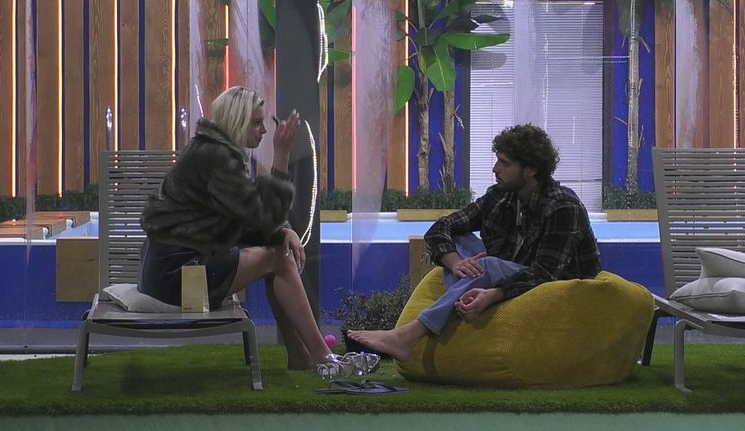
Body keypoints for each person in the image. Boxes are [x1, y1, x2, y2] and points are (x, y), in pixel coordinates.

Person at [348, 124, 602, 362]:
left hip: (557, 287)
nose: (495, 169)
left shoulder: (562, 205)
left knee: (487, 265)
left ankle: (407, 336)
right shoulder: (500, 197)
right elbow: (440, 228)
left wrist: (495, 293)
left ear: (531, 169)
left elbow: (544, 274)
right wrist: (455, 262)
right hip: (508, 271)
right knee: (459, 240)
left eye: (504, 163)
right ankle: (464, 297)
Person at [138, 86, 332, 371]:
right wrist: (281, 156)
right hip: (179, 279)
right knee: (279, 258)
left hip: (170, 272)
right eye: (256, 122)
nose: (263, 130)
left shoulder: (211, 151)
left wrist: (282, 231)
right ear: (236, 121)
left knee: (277, 254)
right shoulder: (217, 157)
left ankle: (303, 356)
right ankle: (321, 356)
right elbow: (261, 219)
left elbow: (248, 222)